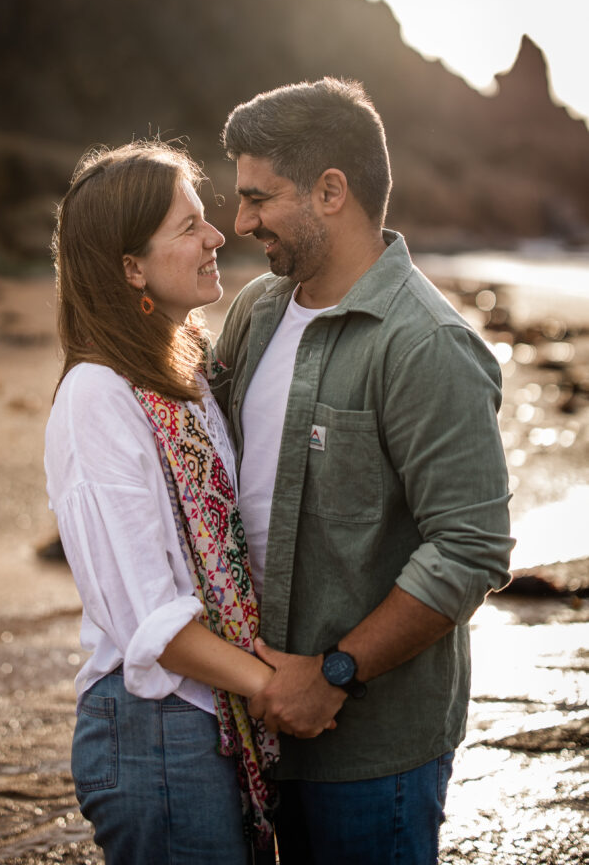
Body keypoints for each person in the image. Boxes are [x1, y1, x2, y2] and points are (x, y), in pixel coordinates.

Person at [212, 78, 514, 865]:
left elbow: (470, 546)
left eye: (257, 198)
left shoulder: (426, 345)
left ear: (330, 191)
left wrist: (333, 674)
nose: (239, 222)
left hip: (372, 753)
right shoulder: (257, 310)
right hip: (248, 723)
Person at [44, 140, 280, 865]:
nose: (215, 236)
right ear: (130, 268)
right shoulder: (98, 394)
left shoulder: (187, 380)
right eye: (188, 226)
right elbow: (151, 616)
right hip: (153, 728)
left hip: (205, 715)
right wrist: (277, 688)